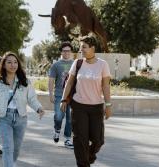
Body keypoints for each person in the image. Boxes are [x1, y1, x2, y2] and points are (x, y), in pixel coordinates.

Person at [60, 36, 112, 167]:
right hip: (78, 107)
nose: (81, 49)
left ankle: (89, 156)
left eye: (84, 47)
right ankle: (83, 164)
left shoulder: (103, 64)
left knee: (98, 140)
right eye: (80, 47)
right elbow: (70, 82)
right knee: (80, 140)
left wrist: (108, 105)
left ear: (92, 48)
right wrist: (64, 99)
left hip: (96, 107)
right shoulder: (77, 63)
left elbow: (106, 86)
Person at [0, 52, 45, 167]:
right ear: (3, 65)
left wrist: (39, 108)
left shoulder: (24, 81)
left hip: (21, 118)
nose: (13, 65)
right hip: (3, 117)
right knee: (8, 147)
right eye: (9, 62)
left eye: (15, 62)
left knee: (16, 148)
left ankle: (12, 163)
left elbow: (32, 98)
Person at [48, 41, 74, 148]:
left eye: (68, 51)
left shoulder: (75, 64)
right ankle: (57, 130)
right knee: (59, 116)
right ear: (61, 52)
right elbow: (51, 80)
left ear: (71, 52)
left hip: (72, 96)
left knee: (70, 118)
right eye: (64, 51)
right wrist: (50, 94)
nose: (66, 53)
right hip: (59, 94)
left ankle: (67, 139)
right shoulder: (56, 65)